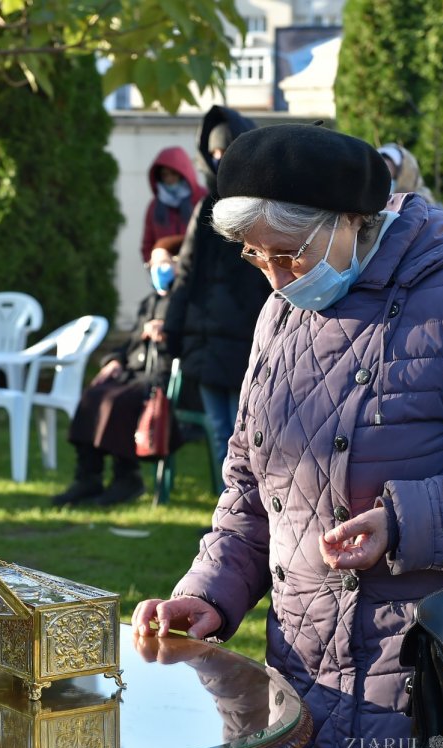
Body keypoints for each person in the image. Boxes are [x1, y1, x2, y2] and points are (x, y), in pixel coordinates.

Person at [131, 124, 443, 748]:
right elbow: (250, 494)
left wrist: (405, 526)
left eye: (290, 253)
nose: (278, 277)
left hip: (429, 681)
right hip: (299, 677)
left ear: (352, 221)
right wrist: (208, 595)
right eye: (256, 256)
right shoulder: (278, 316)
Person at [163, 107, 271, 480]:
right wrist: (173, 331)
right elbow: (187, 274)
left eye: (228, 152)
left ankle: (248, 522)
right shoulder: (206, 207)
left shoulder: (262, 208)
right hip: (207, 341)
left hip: (247, 343)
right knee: (220, 436)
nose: (220, 160)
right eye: (214, 154)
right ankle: (229, 519)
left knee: (250, 438)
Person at [51, 261, 176, 507]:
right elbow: (128, 343)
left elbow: (189, 343)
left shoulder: (185, 303)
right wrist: (114, 360)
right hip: (132, 373)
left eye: (165, 262)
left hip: (160, 377)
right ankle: (88, 475)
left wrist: (167, 332)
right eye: (153, 262)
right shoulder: (148, 303)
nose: (158, 268)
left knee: (118, 401)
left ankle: (127, 477)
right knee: (93, 395)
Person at [141, 146, 206, 263]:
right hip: (166, 272)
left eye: (173, 174)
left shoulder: (202, 199)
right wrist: (153, 266)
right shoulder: (154, 206)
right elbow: (147, 244)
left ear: (183, 173)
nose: (169, 179)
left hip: (198, 271)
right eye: (165, 175)